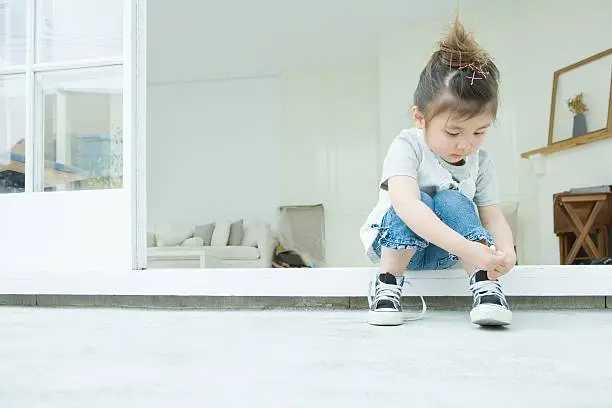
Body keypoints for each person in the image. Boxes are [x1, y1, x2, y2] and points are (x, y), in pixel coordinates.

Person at [360, 17, 516, 327]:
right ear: (420, 118)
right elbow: (406, 205)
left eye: (479, 132)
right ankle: (388, 285)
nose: (466, 145)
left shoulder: (481, 162)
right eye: (454, 132)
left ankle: (485, 285)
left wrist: (506, 252)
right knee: (422, 203)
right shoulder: (407, 145)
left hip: (448, 254)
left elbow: (493, 217)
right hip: (397, 246)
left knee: (454, 201)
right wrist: (470, 249)